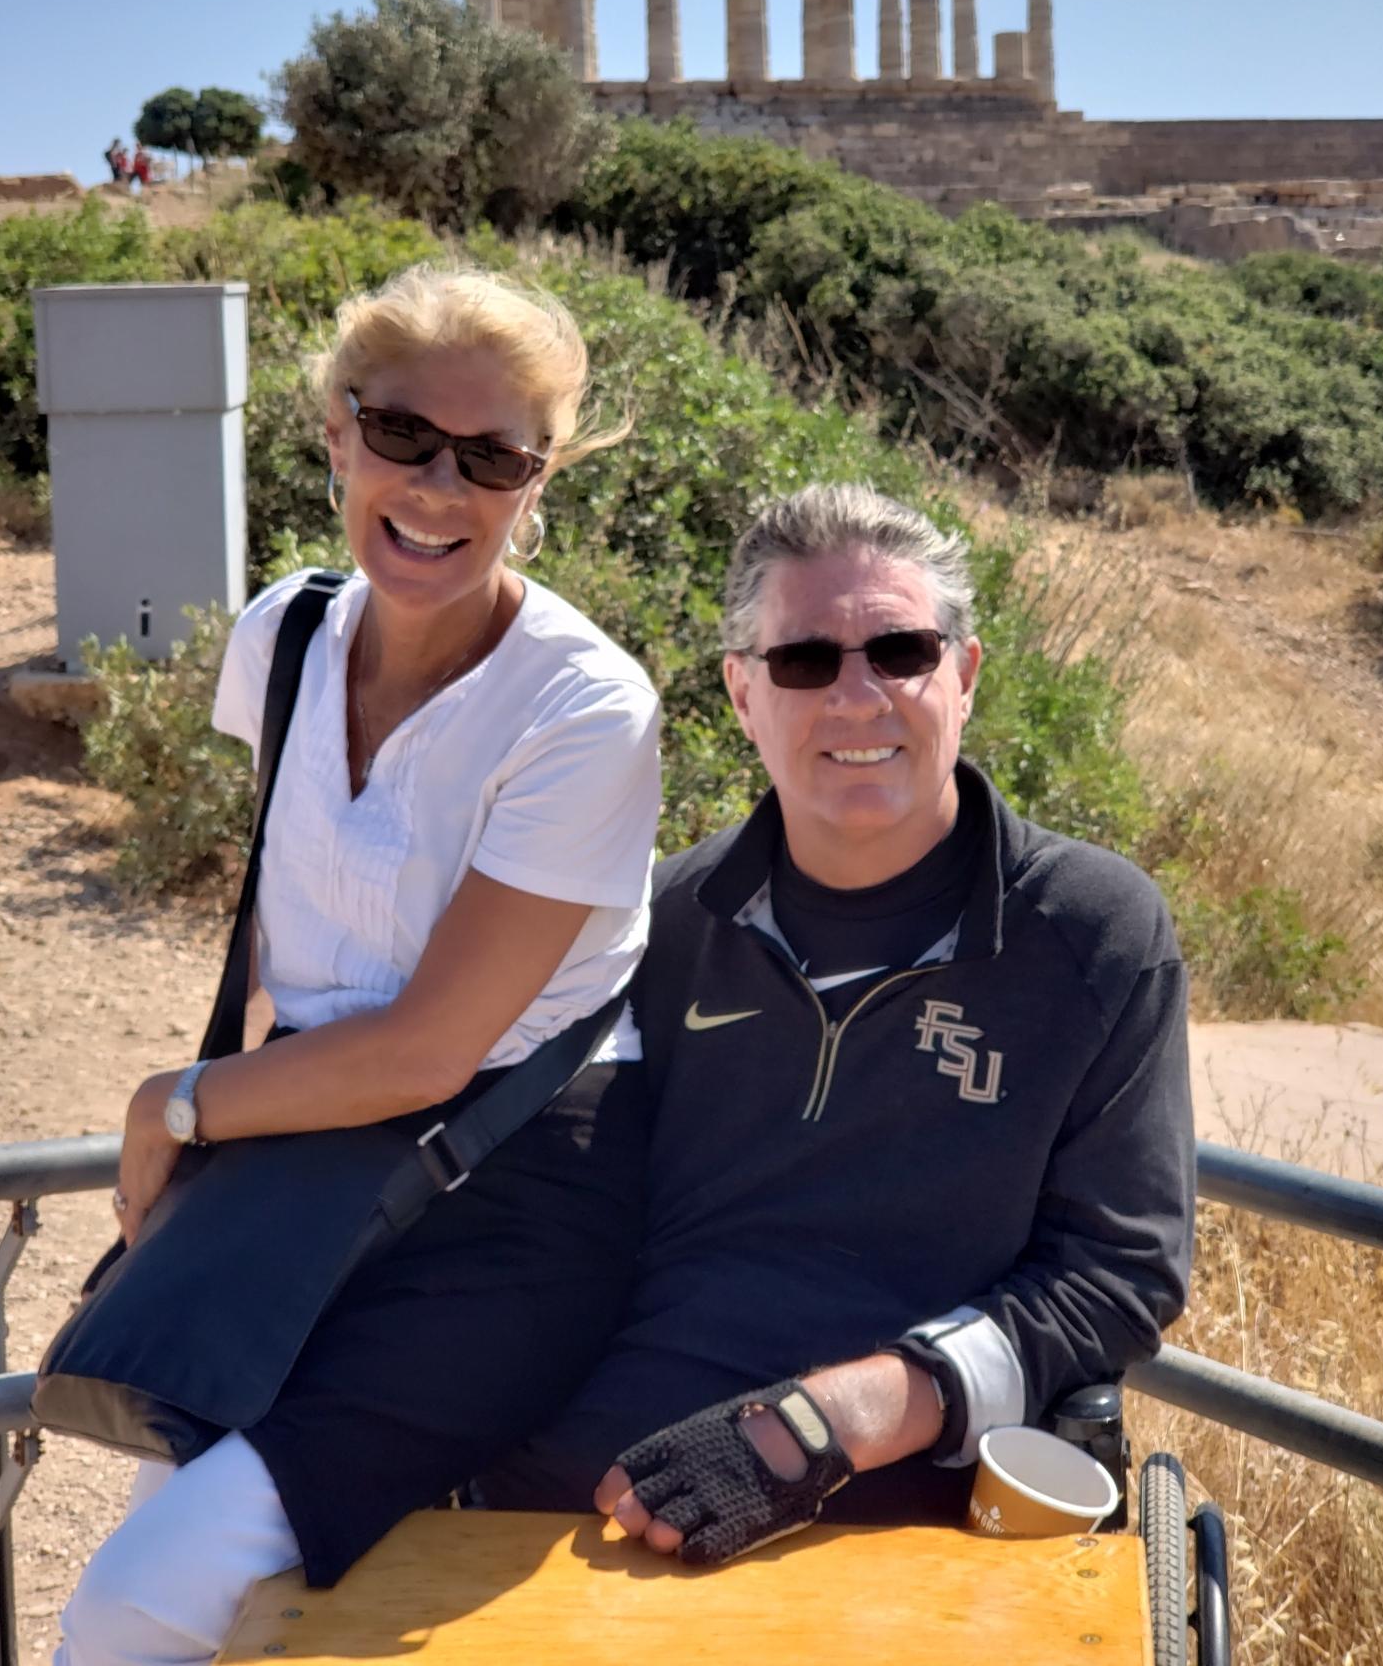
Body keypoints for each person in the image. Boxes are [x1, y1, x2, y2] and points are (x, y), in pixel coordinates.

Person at [54, 268, 662, 1665]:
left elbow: (430, 1050)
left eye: (492, 458)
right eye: (402, 436)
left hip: (505, 1203)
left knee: (139, 1599)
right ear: (337, 433)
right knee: (181, 1556)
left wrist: (174, 1109)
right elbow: (295, 947)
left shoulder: (581, 708)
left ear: (538, 481)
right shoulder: (284, 637)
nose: (440, 489)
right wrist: (222, 1156)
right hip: (307, 1162)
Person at [484, 483, 1195, 1564]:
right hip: (591, 1489)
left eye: (901, 652)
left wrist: (826, 1424)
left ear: (965, 674)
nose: (857, 697)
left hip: (916, 1512)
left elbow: (1118, 1275)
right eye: (805, 661)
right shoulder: (655, 921)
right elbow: (556, 1212)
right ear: (742, 694)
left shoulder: (1095, 933)